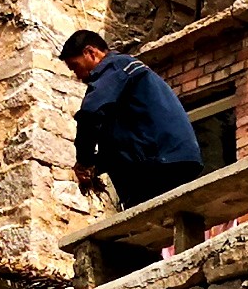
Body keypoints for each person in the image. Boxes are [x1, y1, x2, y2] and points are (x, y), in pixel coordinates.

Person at [62, 29, 203, 207]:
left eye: (75, 66)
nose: (77, 75)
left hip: (161, 161)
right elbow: (122, 143)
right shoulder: (124, 81)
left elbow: (90, 114)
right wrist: (95, 167)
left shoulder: (115, 67)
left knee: (142, 218)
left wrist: (84, 160)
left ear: (91, 52)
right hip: (171, 159)